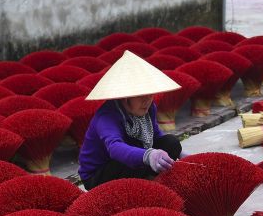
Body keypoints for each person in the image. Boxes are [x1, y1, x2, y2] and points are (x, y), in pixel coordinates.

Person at [78, 50, 186, 190]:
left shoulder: (149, 108)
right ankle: (145, 183)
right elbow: (115, 148)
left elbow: (156, 136)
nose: (147, 101)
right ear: (125, 96)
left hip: (130, 161)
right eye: (141, 96)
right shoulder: (107, 116)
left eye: (150, 95)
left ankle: (148, 179)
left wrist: (179, 154)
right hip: (100, 174)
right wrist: (148, 155)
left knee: (171, 142)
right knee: (136, 154)